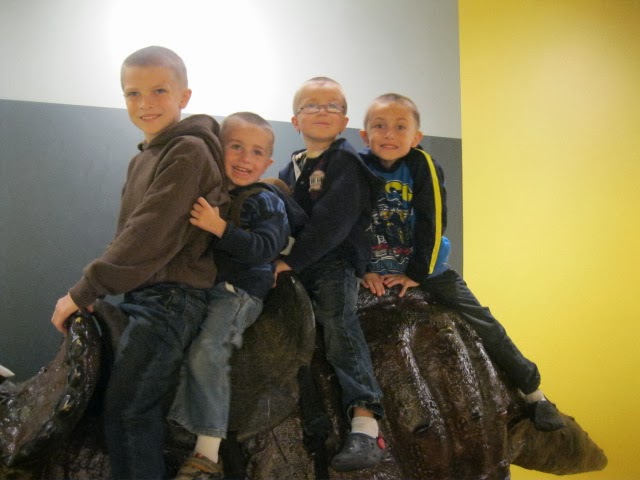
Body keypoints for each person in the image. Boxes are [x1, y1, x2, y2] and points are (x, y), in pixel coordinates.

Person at [50, 46, 229, 479]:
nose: (145, 103)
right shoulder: (143, 158)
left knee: (130, 410)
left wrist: (84, 290)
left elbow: (149, 232)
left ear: (184, 96)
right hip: (145, 296)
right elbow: (128, 233)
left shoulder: (188, 151)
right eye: (133, 93)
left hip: (171, 299)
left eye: (159, 91)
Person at [359, 93, 565, 432]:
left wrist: (417, 273)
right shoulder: (357, 168)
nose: (389, 134)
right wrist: (363, 269)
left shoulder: (422, 165)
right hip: (374, 267)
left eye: (400, 127)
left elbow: (434, 219)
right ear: (364, 135)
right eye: (379, 126)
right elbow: (349, 223)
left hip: (426, 268)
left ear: (416, 137)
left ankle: (533, 393)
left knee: (482, 320)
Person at [168, 112, 306, 479]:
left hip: (239, 292)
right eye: (236, 147)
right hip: (209, 287)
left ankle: (208, 449)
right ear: (219, 150)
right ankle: (180, 422)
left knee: (208, 350)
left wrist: (219, 227)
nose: (245, 158)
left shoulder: (265, 200)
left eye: (256, 152)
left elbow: (264, 247)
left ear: (267, 163)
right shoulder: (216, 194)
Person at [275, 77, 387, 472]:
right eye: (311, 105)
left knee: (338, 319)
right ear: (295, 120)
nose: (322, 111)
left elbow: (332, 223)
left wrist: (292, 260)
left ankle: (366, 421)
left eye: (332, 106)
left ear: (344, 121)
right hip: (300, 262)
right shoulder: (291, 167)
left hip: (334, 261)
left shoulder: (346, 163)